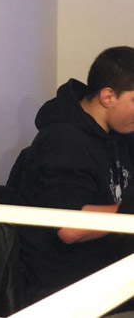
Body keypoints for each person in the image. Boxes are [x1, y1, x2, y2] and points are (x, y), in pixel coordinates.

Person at [17, 46, 134, 309]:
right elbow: (70, 227)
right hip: (73, 288)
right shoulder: (62, 140)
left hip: (115, 274)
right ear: (108, 96)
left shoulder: (120, 135)